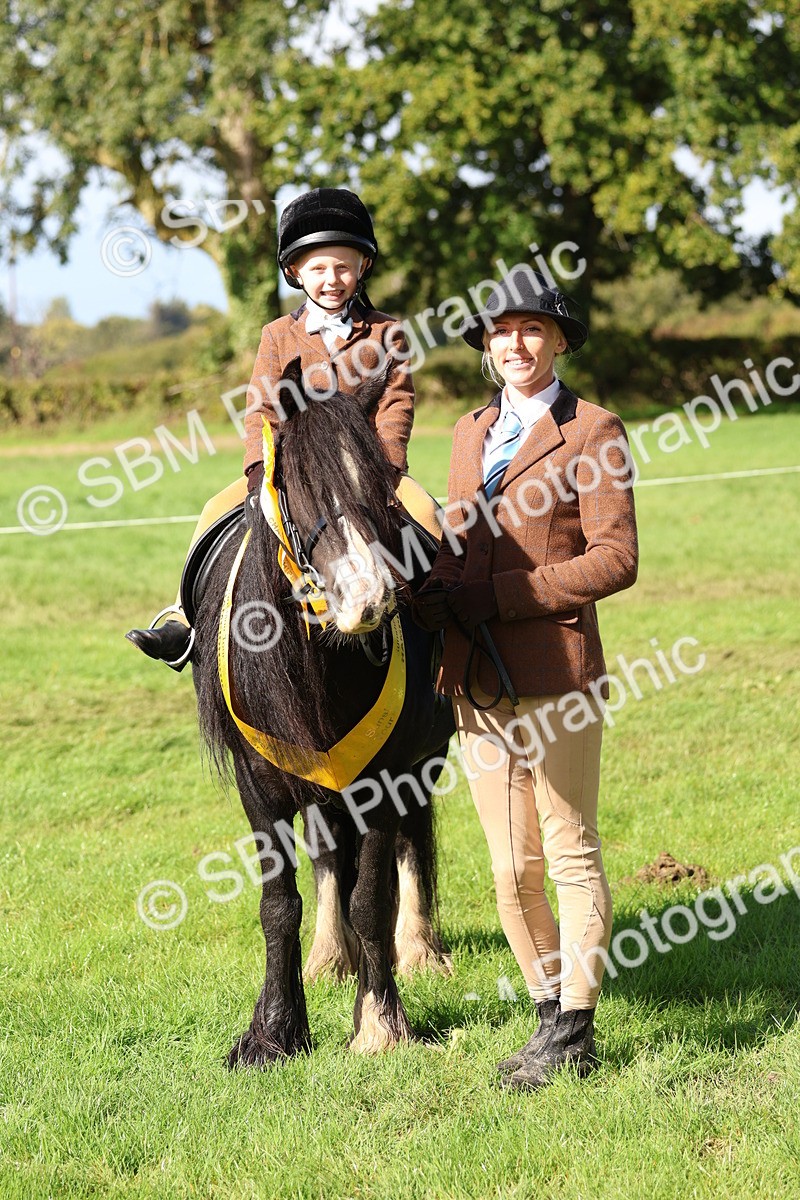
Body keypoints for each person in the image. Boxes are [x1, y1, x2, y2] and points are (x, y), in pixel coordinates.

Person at [413, 266, 638, 1091]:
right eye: (501, 331)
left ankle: (577, 1030)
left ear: (560, 340)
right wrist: (430, 581)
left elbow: (616, 559)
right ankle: (547, 1016)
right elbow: (460, 540)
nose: (516, 342)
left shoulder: (595, 430)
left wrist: (499, 597)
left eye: (532, 329)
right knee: (511, 867)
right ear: (484, 345)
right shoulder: (469, 431)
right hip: (475, 678)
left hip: (555, 671)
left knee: (569, 851)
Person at [127, 187, 439, 669]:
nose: (332, 279)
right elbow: (260, 410)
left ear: (363, 267)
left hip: (367, 465)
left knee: (431, 516)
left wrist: (386, 464)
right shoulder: (277, 334)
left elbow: (397, 401)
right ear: (296, 272)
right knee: (213, 508)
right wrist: (260, 469)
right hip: (291, 466)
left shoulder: (386, 332)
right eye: (318, 268)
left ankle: (448, 617)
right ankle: (184, 623)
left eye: (342, 266)